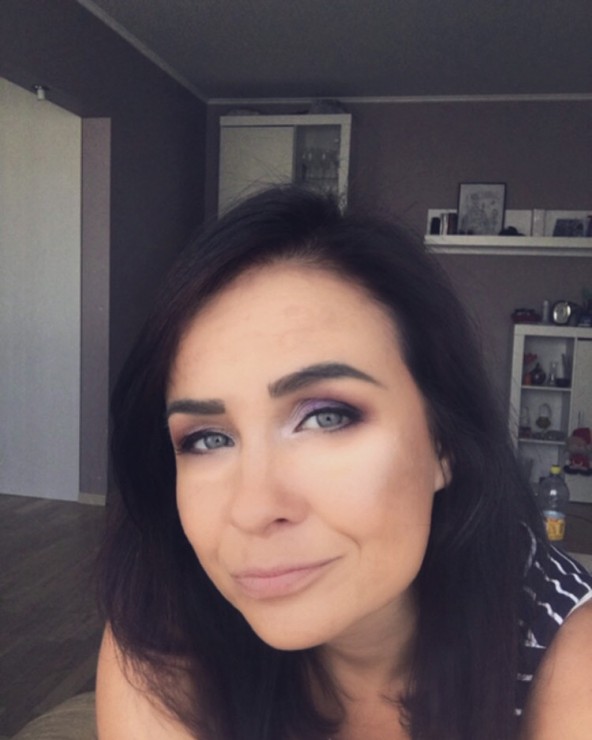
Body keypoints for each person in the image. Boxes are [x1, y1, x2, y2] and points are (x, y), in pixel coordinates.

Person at [96, 186, 592, 740]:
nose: (254, 509)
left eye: (326, 417)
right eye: (207, 439)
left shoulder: (570, 662)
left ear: (444, 442)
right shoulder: (163, 616)